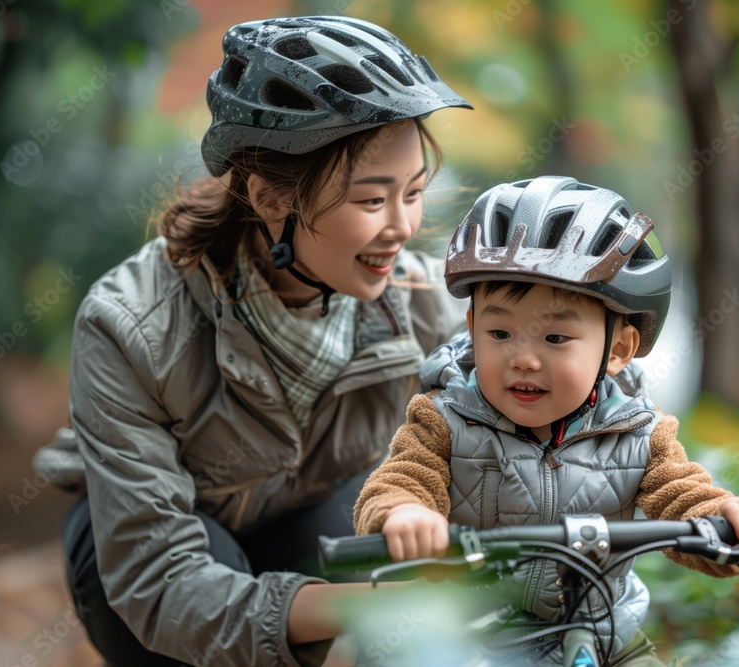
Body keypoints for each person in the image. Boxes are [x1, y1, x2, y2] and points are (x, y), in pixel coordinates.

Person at [32, 15, 471, 667]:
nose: (404, 227)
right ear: (269, 198)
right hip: (150, 555)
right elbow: (160, 575)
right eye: (373, 200)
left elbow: (531, 395)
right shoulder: (128, 325)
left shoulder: (419, 302)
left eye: (413, 193)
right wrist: (354, 610)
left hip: (305, 517)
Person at [353, 175, 739, 666]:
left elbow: (681, 496)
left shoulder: (638, 434)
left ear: (618, 349)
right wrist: (405, 514)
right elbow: (401, 479)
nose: (523, 359)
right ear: (471, 330)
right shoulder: (443, 421)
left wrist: (727, 526)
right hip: (475, 645)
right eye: (499, 332)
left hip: (605, 637)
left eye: (555, 338)